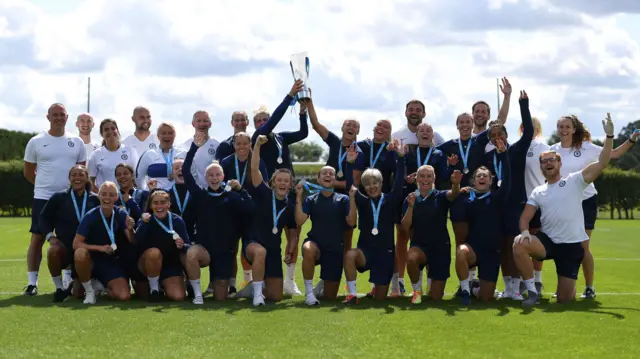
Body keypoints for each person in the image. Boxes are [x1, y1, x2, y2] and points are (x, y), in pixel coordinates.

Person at [514, 113, 616, 307]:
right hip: (548, 243)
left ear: (560, 163)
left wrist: (609, 138)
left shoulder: (575, 181)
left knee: (564, 299)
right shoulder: (539, 190)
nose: (548, 163)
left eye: (552, 160)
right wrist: (525, 232)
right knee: (518, 244)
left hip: (570, 247)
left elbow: (602, 163)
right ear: (541, 167)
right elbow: (525, 217)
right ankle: (532, 291)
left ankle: (576, 286)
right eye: (544, 162)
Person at [549, 114, 638, 299]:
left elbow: (613, 154)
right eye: (560, 126)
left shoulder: (586, 147)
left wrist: (629, 139)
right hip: (562, 203)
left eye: (567, 126)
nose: (563, 130)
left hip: (585, 201)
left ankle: (589, 287)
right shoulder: (552, 150)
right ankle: (564, 286)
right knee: (562, 246)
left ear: (574, 129)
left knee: (582, 246)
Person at [182, 133, 256, 304]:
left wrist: (241, 190)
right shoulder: (200, 195)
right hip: (205, 250)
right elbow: (186, 172)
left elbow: (250, 209)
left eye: (217, 175)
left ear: (223, 177)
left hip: (224, 253)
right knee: (192, 254)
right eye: (211, 175)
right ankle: (197, 294)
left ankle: (219, 283)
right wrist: (194, 147)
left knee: (220, 298)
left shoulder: (232, 196)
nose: (214, 178)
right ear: (206, 178)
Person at [22, 103, 87, 296]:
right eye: (55, 114)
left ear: (67, 118)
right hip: (43, 197)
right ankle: (32, 283)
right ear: (48, 117)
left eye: (62, 114)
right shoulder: (36, 141)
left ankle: (67, 281)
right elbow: (28, 172)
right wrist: (44, 186)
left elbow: (81, 170)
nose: (59, 117)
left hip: (70, 199)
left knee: (69, 238)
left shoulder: (76, 142)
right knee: (37, 238)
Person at [251, 81, 308, 296]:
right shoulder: (259, 138)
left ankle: (290, 280)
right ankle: (259, 279)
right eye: (260, 121)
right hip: (269, 193)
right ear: (256, 124)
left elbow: (303, 133)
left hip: (289, 191)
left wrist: (302, 111)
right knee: (269, 234)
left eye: (266, 119)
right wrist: (289, 96)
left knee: (294, 234)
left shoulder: (281, 137)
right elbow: (275, 119)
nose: (265, 123)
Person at [482, 91, 533, 300]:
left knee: (515, 244)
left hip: (516, 204)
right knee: (502, 245)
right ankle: (508, 287)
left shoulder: (517, 150)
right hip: (496, 207)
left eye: (500, 134)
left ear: (506, 135)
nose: (497, 138)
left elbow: (529, 131)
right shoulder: (488, 157)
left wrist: (523, 105)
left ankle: (516, 287)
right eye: (493, 136)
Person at [343, 140, 406, 305]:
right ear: (364, 187)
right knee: (350, 254)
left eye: (375, 183)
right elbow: (350, 185)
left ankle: (376, 288)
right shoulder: (362, 201)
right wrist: (349, 164)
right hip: (366, 252)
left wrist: (400, 158)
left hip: (385, 255)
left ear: (381, 183)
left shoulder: (391, 200)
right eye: (368, 184)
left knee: (379, 299)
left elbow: (399, 181)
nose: (372, 187)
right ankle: (352, 295)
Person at [393, 122, 450, 296]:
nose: (425, 133)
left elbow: (444, 177)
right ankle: (412, 287)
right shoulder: (409, 151)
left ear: (433, 135)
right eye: (421, 131)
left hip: (432, 199)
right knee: (411, 240)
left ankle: (432, 281)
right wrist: (408, 179)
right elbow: (399, 175)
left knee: (434, 234)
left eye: (429, 130)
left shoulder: (439, 154)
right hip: (412, 201)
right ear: (416, 135)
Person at [240, 135, 298, 306]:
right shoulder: (264, 193)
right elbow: (255, 168)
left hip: (273, 251)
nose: (282, 183)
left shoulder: (290, 206)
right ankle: (257, 295)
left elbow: (293, 233)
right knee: (260, 252)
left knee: (276, 296)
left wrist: (290, 251)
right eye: (279, 180)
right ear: (273, 182)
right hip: (253, 244)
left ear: (290, 185)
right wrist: (256, 145)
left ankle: (255, 287)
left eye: (286, 181)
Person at [454, 139, 510, 305]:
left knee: (486, 298)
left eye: (485, 176)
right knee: (461, 251)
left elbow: (507, 181)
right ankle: (465, 289)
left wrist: (504, 155)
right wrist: (458, 187)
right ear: (474, 180)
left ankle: (475, 288)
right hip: (473, 250)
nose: (482, 178)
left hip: (492, 253)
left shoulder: (497, 197)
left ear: (490, 181)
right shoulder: (466, 197)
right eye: (479, 176)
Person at [438, 112, 491, 286]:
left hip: (479, 198)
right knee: (461, 241)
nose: (465, 125)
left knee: (479, 237)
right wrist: (449, 165)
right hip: (459, 199)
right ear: (457, 125)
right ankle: (464, 285)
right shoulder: (449, 146)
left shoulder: (479, 140)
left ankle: (475, 279)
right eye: (462, 122)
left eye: (468, 121)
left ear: (473, 123)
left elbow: (499, 122)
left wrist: (506, 97)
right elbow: (432, 152)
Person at [39, 165, 100, 302]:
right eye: (74, 175)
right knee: (52, 251)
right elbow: (43, 218)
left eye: (81, 175)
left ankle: (85, 285)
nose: (77, 178)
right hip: (66, 249)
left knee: (78, 294)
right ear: (69, 178)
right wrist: (50, 237)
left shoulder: (95, 199)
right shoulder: (59, 197)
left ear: (86, 178)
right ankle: (60, 288)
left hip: (88, 251)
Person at [401, 168, 462, 303]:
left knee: (436, 297)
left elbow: (453, 194)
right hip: (420, 246)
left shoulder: (440, 196)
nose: (425, 179)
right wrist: (410, 206)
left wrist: (456, 184)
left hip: (440, 248)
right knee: (411, 258)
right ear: (417, 179)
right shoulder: (411, 198)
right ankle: (417, 291)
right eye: (422, 176)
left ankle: (432, 284)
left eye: (429, 176)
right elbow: (405, 227)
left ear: (434, 179)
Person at [295, 163, 351, 305]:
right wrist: (299, 197)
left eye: (331, 174)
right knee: (307, 249)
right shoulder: (311, 199)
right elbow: (300, 220)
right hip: (316, 245)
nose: (328, 175)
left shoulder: (343, 199)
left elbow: (351, 223)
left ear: (334, 180)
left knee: (330, 297)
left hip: (334, 249)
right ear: (318, 180)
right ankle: (309, 293)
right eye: (324, 173)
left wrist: (354, 199)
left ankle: (321, 286)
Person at [219, 131, 269, 292]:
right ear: (233, 145)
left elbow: (264, 186)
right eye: (238, 144)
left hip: (252, 213)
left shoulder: (257, 162)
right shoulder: (226, 162)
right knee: (231, 249)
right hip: (231, 213)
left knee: (251, 248)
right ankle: (232, 285)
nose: (241, 147)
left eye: (245, 143)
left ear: (250, 145)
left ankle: (253, 283)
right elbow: (219, 185)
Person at [72, 181, 135, 304]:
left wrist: (131, 229)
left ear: (116, 197)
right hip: (91, 261)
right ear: (98, 195)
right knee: (80, 253)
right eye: (104, 194)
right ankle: (89, 291)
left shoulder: (121, 213)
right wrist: (99, 248)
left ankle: (101, 286)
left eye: (111, 195)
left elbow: (132, 240)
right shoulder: (90, 216)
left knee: (124, 296)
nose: (107, 198)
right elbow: (76, 244)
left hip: (111, 262)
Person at [135, 189, 191, 302]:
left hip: (170, 266)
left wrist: (182, 245)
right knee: (154, 252)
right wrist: (143, 224)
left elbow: (188, 246)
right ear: (151, 205)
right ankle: (154, 290)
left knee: (178, 297)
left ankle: (172, 284)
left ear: (169, 204)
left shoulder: (177, 220)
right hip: (148, 265)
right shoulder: (146, 220)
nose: (159, 206)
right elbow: (137, 242)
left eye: (163, 202)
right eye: (155, 202)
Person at [521, 116, 550, 295]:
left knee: (536, 242)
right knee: (519, 243)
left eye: (531, 126)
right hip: (517, 203)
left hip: (537, 203)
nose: (528, 128)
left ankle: (537, 280)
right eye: (524, 125)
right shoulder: (514, 146)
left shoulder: (543, 148)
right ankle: (523, 280)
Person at [88, 119, 139, 191]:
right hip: (106, 199)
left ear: (117, 131)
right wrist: (99, 195)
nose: (110, 131)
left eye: (113, 128)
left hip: (126, 198)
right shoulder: (96, 154)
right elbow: (90, 181)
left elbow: (136, 177)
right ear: (102, 134)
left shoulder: (130, 151)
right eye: (106, 129)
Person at [135, 122, 186, 190]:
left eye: (170, 133)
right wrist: (146, 192)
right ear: (158, 136)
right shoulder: (148, 154)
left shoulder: (184, 153)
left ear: (174, 135)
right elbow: (139, 177)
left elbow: (193, 175)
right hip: (156, 198)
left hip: (178, 197)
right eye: (163, 133)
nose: (167, 136)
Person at [178, 110, 220, 188]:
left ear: (210, 124)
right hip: (190, 191)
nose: (202, 124)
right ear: (193, 124)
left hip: (210, 191)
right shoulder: (184, 146)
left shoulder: (217, 145)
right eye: (199, 121)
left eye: (205, 121)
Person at [471, 77, 512, 153]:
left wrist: (507, 96)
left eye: (483, 112)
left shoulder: (494, 137)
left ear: (488, 116)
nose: (480, 114)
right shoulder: (466, 139)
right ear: (472, 115)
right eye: (477, 111)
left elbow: (501, 119)